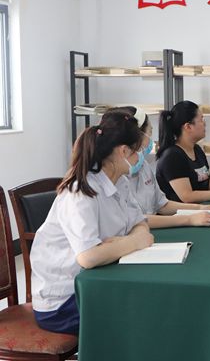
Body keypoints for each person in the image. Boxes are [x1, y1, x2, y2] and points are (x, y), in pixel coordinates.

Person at [30, 111, 155, 334]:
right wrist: (135, 242)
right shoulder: (80, 192)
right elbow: (88, 257)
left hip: (103, 277)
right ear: (123, 151)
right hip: (64, 301)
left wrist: (119, 243)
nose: (141, 157)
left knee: (150, 302)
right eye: (137, 151)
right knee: (143, 315)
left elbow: (140, 223)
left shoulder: (121, 182)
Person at [104, 106, 210, 228]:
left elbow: (162, 205)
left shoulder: (143, 166)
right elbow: (133, 219)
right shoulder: (114, 177)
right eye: (150, 133)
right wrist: (189, 219)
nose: (151, 140)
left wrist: (200, 208)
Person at [155, 100, 210, 202]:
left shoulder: (197, 149)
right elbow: (187, 196)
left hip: (202, 208)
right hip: (180, 211)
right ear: (188, 127)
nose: (205, 123)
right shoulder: (172, 156)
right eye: (201, 119)